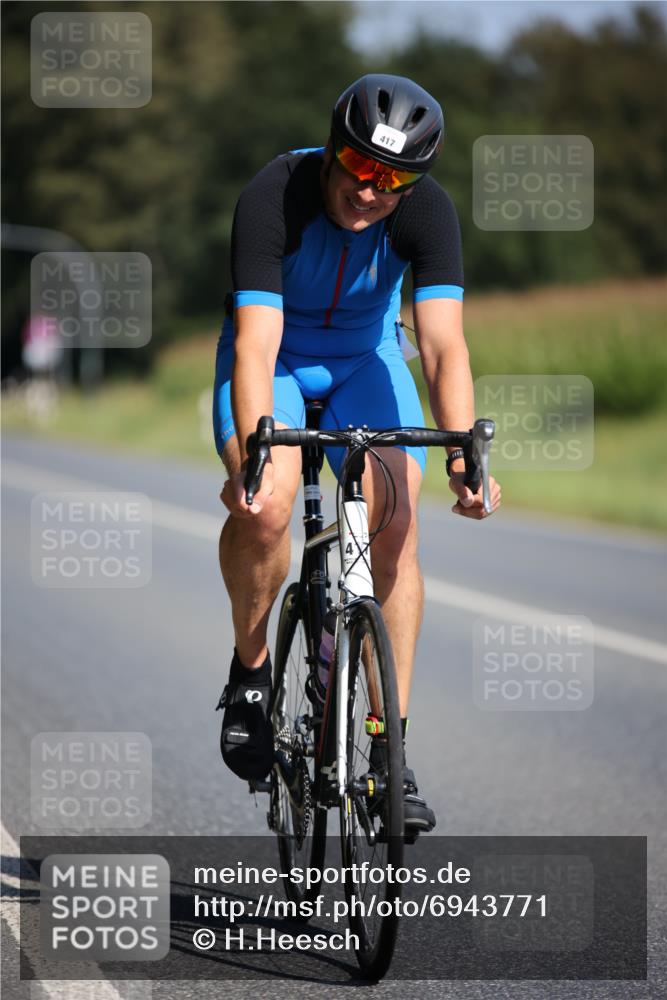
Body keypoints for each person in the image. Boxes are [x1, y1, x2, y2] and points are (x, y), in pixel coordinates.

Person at [213, 74, 502, 837]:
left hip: (365, 358)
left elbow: (440, 345)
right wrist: (253, 451)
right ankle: (249, 673)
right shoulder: (274, 194)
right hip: (275, 354)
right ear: (333, 149)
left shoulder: (427, 212)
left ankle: (387, 749)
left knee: (398, 524)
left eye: (395, 180)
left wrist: (464, 456)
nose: (372, 192)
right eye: (360, 168)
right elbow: (254, 341)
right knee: (268, 503)